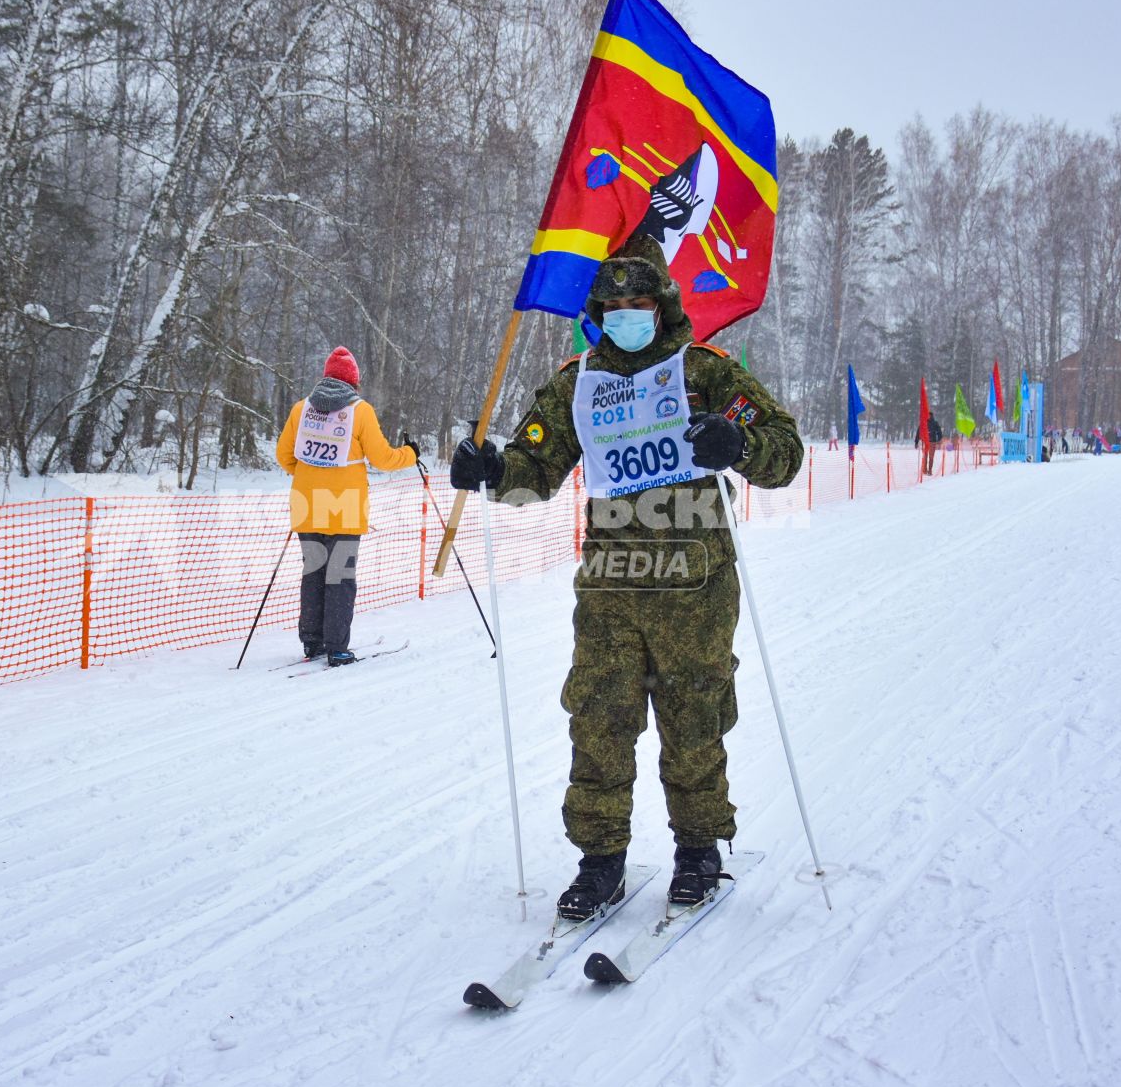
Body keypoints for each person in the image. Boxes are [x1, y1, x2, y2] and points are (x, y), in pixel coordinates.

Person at [447, 234, 804, 918]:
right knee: (599, 719)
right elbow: (534, 469)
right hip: (612, 580)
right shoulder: (577, 383)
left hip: (694, 581)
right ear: (597, 313)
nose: (625, 314)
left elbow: (784, 453)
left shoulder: (706, 372)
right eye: (612, 305)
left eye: (639, 302)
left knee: (693, 716)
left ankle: (698, 848)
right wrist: (492, 470)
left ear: (662, 305)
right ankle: (600, 859)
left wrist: (738, 444)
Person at [274, 346, 417, 666]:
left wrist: (310, 477)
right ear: (353, 382)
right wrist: (411, 454)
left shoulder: (301, 409)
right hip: (345, 507)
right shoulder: (360, 410)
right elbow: (382, 458)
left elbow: (284, 456)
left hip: (307, 505)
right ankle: (337, 647)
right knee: (339, 575)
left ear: (325, 378)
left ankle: (312, 641)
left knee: (313, 572)